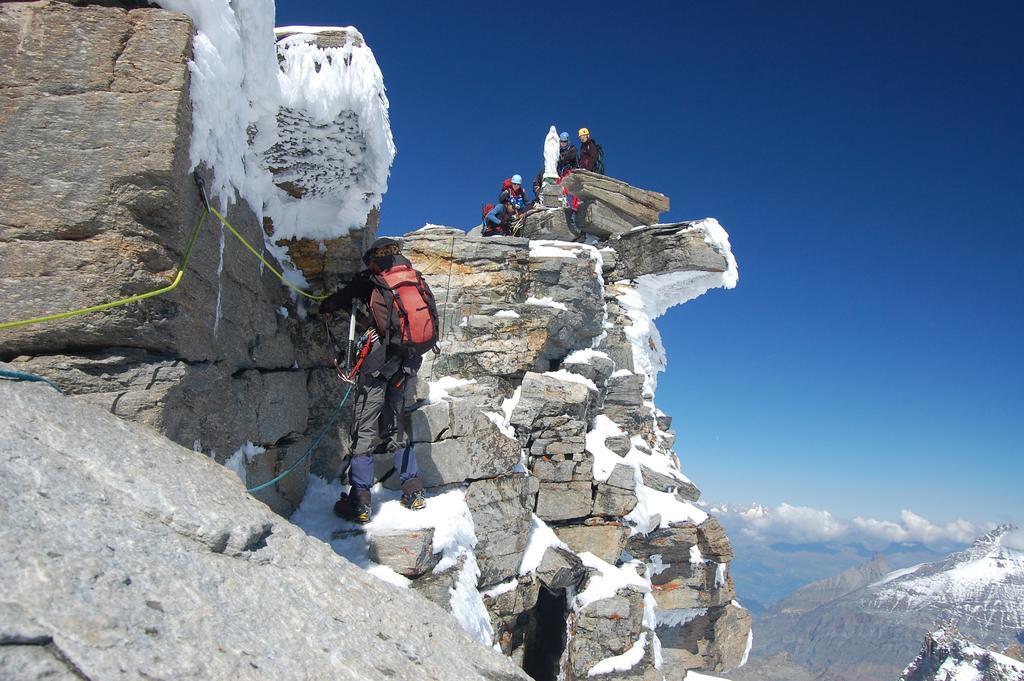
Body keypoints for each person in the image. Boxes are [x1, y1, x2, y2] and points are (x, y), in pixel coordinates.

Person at [317, 237, 438, 523]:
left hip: (376, 366)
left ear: (374, 257)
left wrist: (324, 305)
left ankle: (359, 500)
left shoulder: (371, 280)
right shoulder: (415, 280)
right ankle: (412, 490)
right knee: (395, 426)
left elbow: (336, 302)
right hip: (406, 364)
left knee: (364, 428)